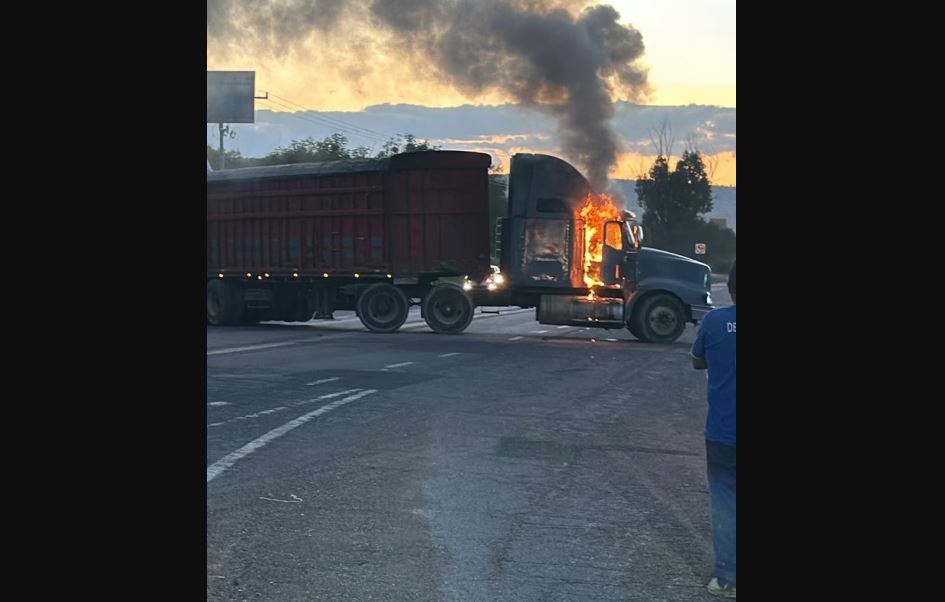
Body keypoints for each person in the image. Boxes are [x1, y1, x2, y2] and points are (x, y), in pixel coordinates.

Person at [691, 261, 736, 598]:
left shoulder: (714, 321)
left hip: (723, 434)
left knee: (724, 503)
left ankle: (727, 578)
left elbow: (698, 360)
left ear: (731, 289)